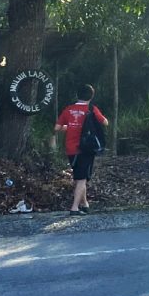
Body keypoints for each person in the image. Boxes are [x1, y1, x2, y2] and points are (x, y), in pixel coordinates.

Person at [54, 84, 109, 214]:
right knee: (82, 179)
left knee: (80, 177)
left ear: (77, 95)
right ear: (91, 97)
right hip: (86, 148)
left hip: (71, 148)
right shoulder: (91, 109)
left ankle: (85, 204)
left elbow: (56, 128)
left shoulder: (69, 109)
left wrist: (70, 127)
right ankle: (74, 208)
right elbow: (105, 122)